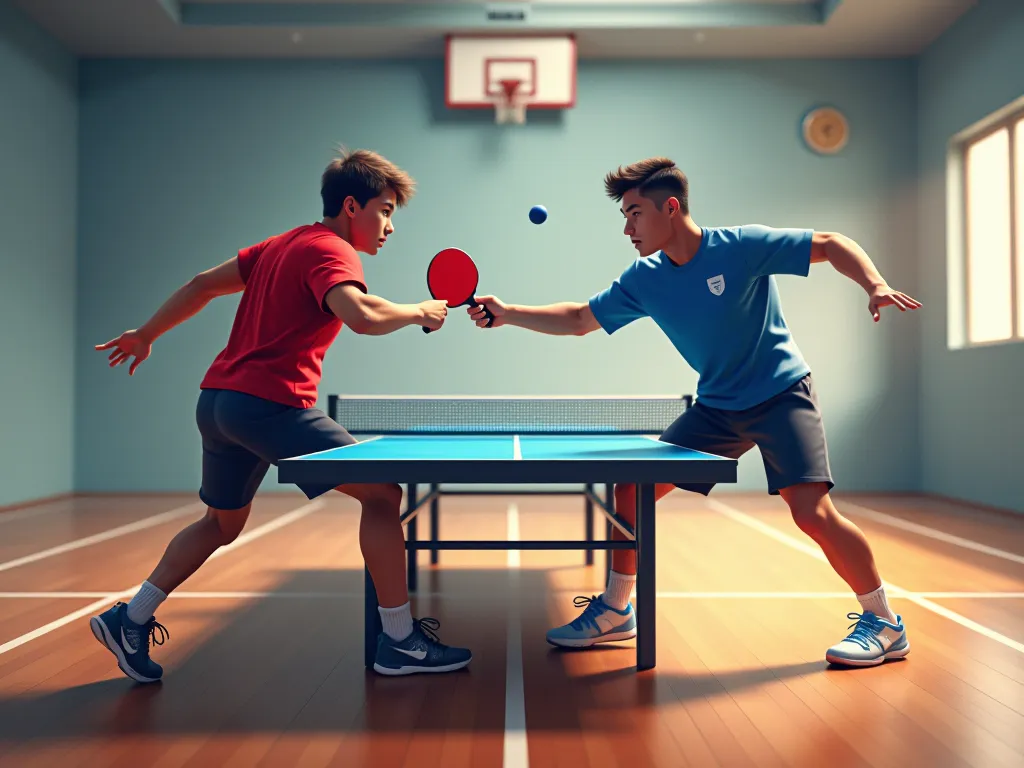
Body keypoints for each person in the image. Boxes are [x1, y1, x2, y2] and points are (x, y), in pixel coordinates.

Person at [467, 157, 921, 667]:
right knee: (631, 489)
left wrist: (875, 284)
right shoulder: (645, 279)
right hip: (718, 408)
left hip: (781, 394)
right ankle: (617, 610)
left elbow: (833, 243)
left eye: (635, 213)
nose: (627, 227)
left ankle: (884, 623)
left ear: (671, 207)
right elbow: (578, 319)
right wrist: (508, 314)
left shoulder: (740, 247)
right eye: (625, 216)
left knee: (810, 511)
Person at [90, 148, 472, 681]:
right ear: (350, 206)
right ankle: (401, 641)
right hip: (271, 404)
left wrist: (146, 333)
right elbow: (360, 315)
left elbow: (202, 284)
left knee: (221, 523)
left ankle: (129, 617)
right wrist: (419, 312)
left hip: (219, 403)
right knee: (383, 492)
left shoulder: (281, 245)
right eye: (385, 210)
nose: (389, 226)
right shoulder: (333, 251)